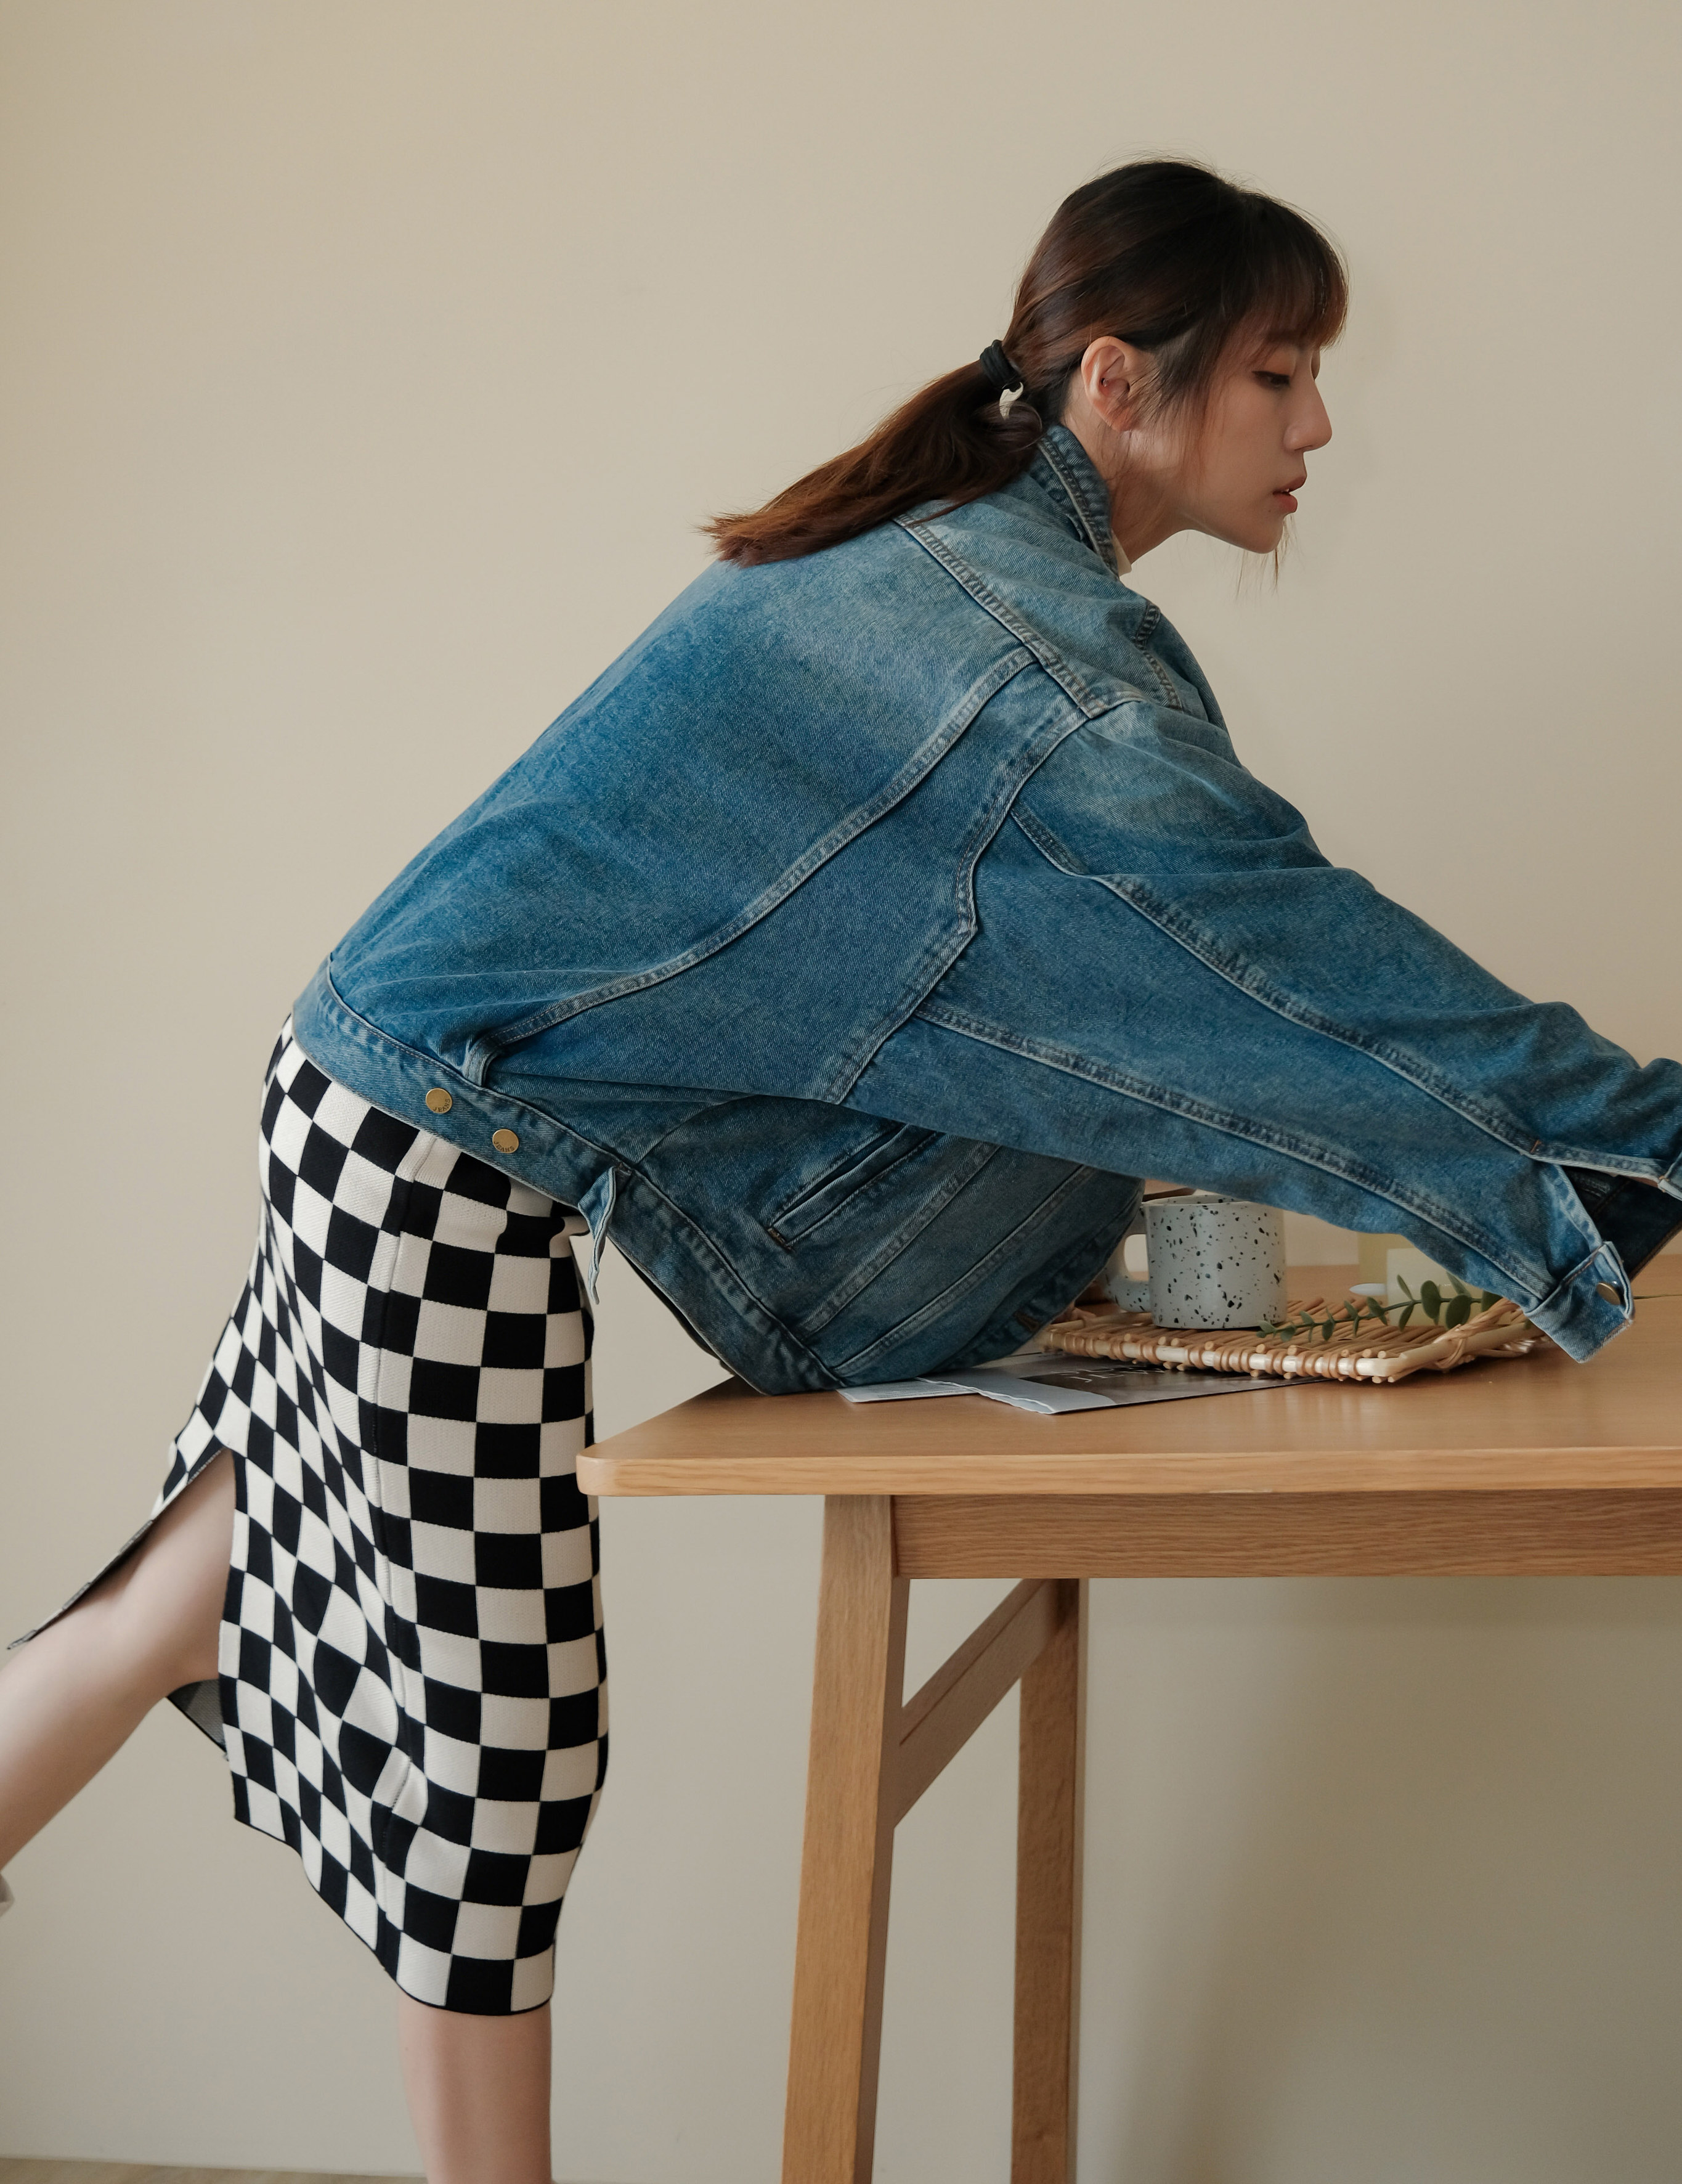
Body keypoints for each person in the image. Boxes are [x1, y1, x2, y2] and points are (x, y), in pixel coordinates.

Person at [4, 158, 1679, 2183]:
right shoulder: (1015, 652)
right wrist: (1636, 1140)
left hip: (407, 1099)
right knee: (496, 1755)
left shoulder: (971, 570)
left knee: (182, 1613)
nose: (1317, 423)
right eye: (1277, 372)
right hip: (433, 1143)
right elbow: (1284, 955)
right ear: (1120, 382)